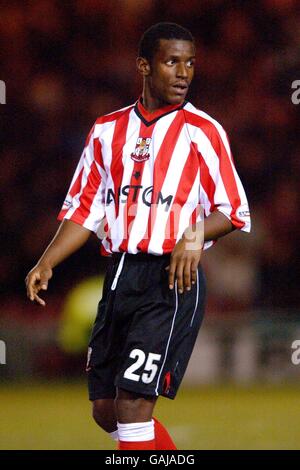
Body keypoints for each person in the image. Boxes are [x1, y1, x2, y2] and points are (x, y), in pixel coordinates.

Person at [25, 22, 251, 450]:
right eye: (171, 62)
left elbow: (235, 210)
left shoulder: (203, 132)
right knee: (105, 408)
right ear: (144, 66)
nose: (183, 72)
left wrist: (194, 232)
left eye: (190, 63)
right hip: (120, 274)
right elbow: (83, 209)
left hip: (170, 280)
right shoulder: (106, 131)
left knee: (132, 404)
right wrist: (47, 260)